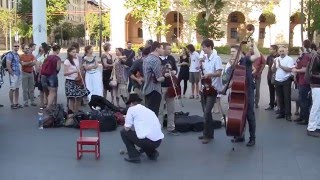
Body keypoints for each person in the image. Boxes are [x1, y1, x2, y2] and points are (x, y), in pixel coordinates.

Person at [229, 41, 260, 147]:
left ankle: (252, 138)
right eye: (231, 52)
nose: (231, 54)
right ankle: (240, 135)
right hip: (238, 92)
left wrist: (253, 44)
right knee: (239, 114)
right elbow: (231, 79)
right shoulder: (234, 64)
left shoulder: (246, 60)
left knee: (249, 115)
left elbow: (257, 55)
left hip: (248, 91)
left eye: (233, 52)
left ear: (239, 52)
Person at [120, 93, 164, 163]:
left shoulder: (131, 109)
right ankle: (152, 153)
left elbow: (127, 128)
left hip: (148, 142)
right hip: (158, 141)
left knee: (123, 132)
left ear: (131, 103)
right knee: (143, 134)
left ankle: (133, 156)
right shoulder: (147, 110)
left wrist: (126, 120)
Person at [198, 39, 223, 144]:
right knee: (206, 112)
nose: (202, 49)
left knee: (207, 112)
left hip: (213, 88)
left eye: (204, 47)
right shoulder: (206, 59)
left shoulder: (216, 58)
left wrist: (209, 75)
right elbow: (203, 73)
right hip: (205, 87)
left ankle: (206, 135)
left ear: (210, 47)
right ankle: (210, 133)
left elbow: (219, 73)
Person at [159, 43, 179, 135]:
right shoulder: (157, 59)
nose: (170, 51)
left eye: (171, 49)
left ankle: (171, 127)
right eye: (169, 49)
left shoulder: (171, 58)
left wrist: (174, 72)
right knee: (160, 109)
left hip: (171, 86)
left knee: (171, 108)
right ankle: (158, 128)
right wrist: (163, 74)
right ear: (163, 49)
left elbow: (175, 69)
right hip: (161, 86)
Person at [272, 46, 295, 121]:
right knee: (280, 97)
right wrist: (275, 64)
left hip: (286, 80)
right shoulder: (276, 59)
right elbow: (273, 70)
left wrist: (281, 66)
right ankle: (281, 113)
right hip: (277, 80)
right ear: (278, 52)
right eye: (280, 51)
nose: (281, 52)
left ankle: (288, 114)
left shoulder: (289, 59)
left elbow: (289, 69)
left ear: (286, 51)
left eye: (283, 51)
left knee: (287, 98)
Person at [292, 40, 312, 125]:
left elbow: (304, 69)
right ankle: (302, 116)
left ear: (303, 46)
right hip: (300, 80)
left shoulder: (306, 56)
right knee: (301, 100)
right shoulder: (304, 55)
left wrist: (296, 70)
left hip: (304, 81)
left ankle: (305, 118)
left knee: (304, 101)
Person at [143, 41, 165, 116]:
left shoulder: (146, 58)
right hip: (154, 90)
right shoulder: (156, 60)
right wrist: (164, 77)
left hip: (147, 88)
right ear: (156, 49)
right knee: (154, 114)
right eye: (161, 48)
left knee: (148, 113)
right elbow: (159, 78)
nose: (163, 50)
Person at [64, 47, 87, 113]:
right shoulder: (67, 61)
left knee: (79, 97)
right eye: (73, 52)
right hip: (70, 81)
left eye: (75, 52)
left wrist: (82, 66)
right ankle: (71, 113)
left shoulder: (77, 58)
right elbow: (65, 73)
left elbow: (80, 68)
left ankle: (76, 112)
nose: (75, 53)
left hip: (78, 80)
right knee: (72, 98)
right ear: (69, 53)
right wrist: (74, 71)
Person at [41, 44, 61, 109]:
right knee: (53, 92)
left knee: (47, 91)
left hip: (44, 75)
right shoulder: (57, 58)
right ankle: (49, 106)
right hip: (52, 76)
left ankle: (47, 103)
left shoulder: (48, 57)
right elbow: (58, 68)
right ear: (57, 50)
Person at [306, 45, 320, 137]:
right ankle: (311, 128)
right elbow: (311, 72)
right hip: (316, 85)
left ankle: (317, 125)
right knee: (316, 106)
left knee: (318, 106)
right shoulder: (316, 57)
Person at [6, 42, 23, 109]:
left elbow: (21, 63)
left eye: (18, 46)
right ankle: (12, 104)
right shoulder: (10, 55)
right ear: (12, 47)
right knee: (12, 89)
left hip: (18, 74)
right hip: (14, 74)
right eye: (15, 46)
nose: (17, 47)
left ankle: (16, 103)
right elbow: (8, 66)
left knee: (17, 89)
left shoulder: (17, 55)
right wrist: (12, 74)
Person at [265, 45, 279, 110]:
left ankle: (278, 104)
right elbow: (267, 64)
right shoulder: (269, 57)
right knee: (271, 91)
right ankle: (271, 104)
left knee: (278, 92)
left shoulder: (279, 56)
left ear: (275, 50)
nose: (269, 50)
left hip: (277, 77)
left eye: (271, 49)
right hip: (270, 76)